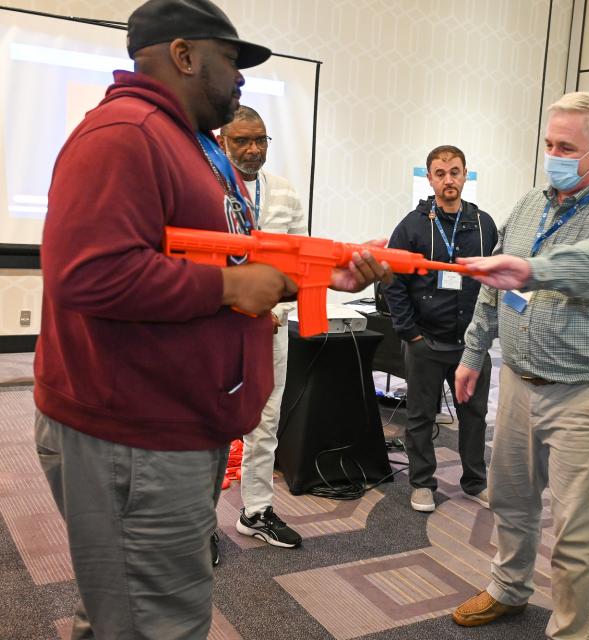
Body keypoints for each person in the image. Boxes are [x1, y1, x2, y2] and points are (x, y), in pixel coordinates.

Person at [33, 1, 390, 637]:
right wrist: (227, 285)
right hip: (134, 435)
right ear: (184, 55)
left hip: (170, 423)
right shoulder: (126, 136)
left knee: (123, 611)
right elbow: (87, 273)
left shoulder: (190, 145)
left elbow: (224, 260)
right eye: (231, 60)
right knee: (155, 622)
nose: (242, 78)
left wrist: (305, 278)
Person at [450, 92, 589, 640]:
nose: (554, 154)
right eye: (549, 143)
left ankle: (570, 632)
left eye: (567, 147)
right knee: (509, 500)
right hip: (518, 381)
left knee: (577, 534)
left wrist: (533, 269)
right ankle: (509, 588)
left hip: (587, 393)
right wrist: (473, 353)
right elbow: (493, 289)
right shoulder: (528, 205)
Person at [382, 145, 498, 513]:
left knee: (474, 417)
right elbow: (391, 280)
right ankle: (421, 484)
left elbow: (494, 280)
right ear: (430, 179)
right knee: (419, 416)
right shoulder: (413, 225)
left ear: (465, 175)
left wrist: (487, 331)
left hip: (471, 345)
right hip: (426, 341)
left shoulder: (484, 225)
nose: (449, 179)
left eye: (455, 172)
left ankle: (476, 481)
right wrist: (409, 332)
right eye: (440, 173)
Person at [216, 105, 307, 547]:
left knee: (265, 420)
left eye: (260, 140)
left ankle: (256, 511)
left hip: (271, 329)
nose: (253, 149)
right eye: (242, 141)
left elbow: (298, 262)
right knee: (213, 426)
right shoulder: (205, 190)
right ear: (222, 142)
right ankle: (199, 526)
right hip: (218, 332)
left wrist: (279, 311)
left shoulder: (286, 193)